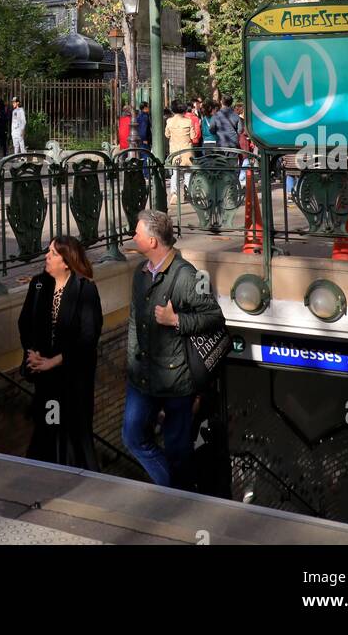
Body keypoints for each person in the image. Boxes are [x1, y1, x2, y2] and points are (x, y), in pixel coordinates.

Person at [122, 209, 224, 490]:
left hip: (176, 380)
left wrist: (176, 320)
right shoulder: (140, 274)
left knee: (178, 451)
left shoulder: (187, 276)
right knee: (132, 436)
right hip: (142, 377)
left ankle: (181, 498)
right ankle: (174, 490)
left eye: (137, 233)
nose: (133, 237)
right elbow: (134, 321)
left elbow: (214, 317)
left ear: (152, 241)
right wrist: (131, 361)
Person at [18, 236, 103, 470]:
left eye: (53, 253)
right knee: (48, 430)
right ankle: (47, 478)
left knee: (75, 435)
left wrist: (53, 361)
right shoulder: (38, 285)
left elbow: (88, 337)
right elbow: (25, 323)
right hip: (47, 381)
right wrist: (33, 354)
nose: (46, 256)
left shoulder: (85, 289)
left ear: (66, 261)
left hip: (74, 380)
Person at [165, 101, 194, 204]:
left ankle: (174, 194)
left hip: (175, 151)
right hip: (187, 150)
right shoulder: (188, 121)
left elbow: (167, 134)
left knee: (175, 173)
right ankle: (187, 193)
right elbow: (193, 136)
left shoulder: (169, 121)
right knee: (188, 173)